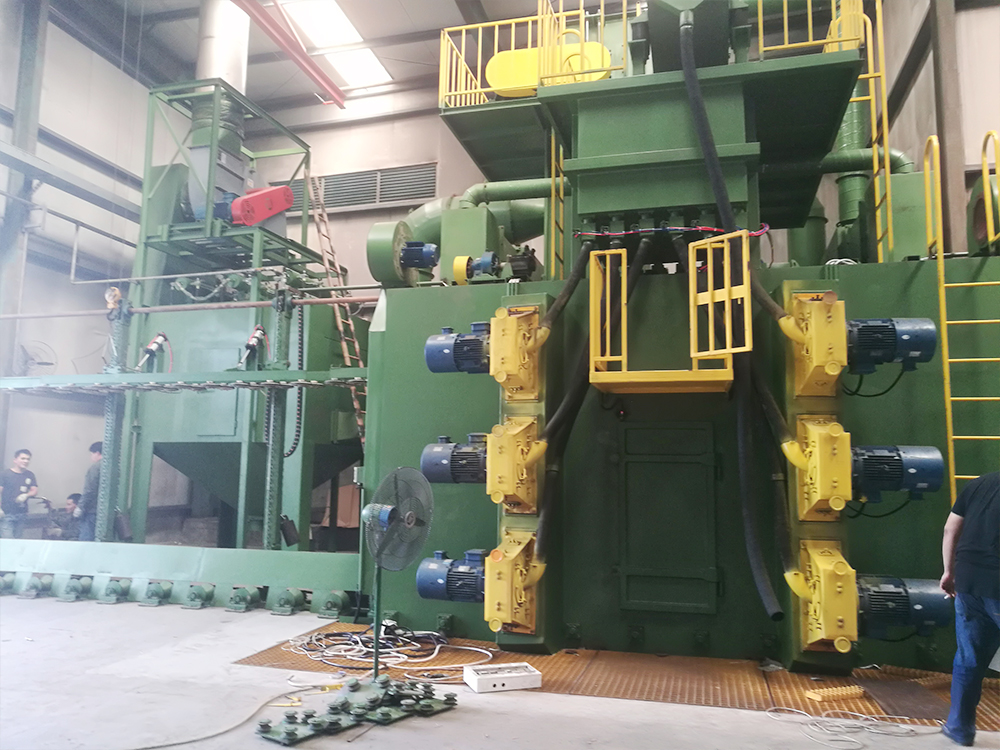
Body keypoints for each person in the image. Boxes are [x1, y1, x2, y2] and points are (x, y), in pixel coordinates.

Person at [940, 471, 999, 747]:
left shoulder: (979, 484)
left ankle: (959, 729)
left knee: (969, 658)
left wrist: (948, 571)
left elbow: (950, 529)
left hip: (968, 582)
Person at [1, 449, 38, 539]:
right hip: (7, 513)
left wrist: (27, 495)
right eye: (23, 458)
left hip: (22, 513)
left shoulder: (30, 475)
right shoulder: (5, 474)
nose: (26, 461)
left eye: (28, 459)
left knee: (18, 539)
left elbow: (34, 490)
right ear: (15, 460)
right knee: (8, 540)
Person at [77, 442, 102, 542]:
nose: (91, 457)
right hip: (105, 511)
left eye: (92, 454)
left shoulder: (95, 468)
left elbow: (89, 490)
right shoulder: (112, 467)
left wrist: (80, 507)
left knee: (86, 540)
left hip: (92, 510)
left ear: (97, 453)